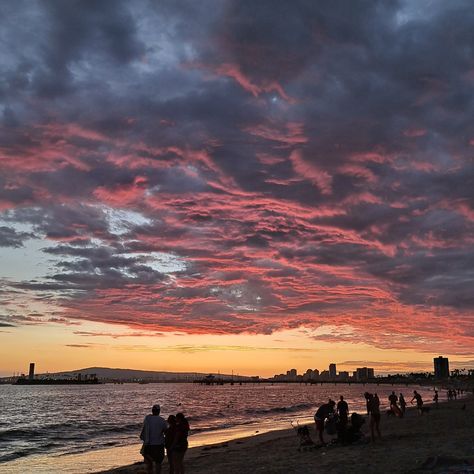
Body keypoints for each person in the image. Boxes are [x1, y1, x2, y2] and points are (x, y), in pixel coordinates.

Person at [140, 404, 168, 474]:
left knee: (149, 464)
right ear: (159, 411)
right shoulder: (162, 420)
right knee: (158, 463)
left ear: (152, 411)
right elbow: (166, 432)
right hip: (159, 445)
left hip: (149, 445)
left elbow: (144, 431)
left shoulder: (147, 419)